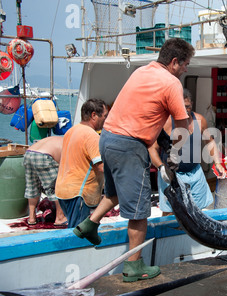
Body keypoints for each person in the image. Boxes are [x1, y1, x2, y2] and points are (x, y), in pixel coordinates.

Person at [73, 38, 195, 282]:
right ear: (174, 62)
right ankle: (133, 267)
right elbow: (183, 125)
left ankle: (89, 224)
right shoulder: (171, 83)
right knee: (139, 211)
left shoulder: (142, 71)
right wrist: (174, 153)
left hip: (108, 138)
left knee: (114, 192)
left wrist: (159, 135)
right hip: (130, 145)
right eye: (185, 65)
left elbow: (136, 109)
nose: (186, 70)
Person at [149, 89, 226, 216]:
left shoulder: (200, 120)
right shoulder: (167, 122)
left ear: (192, 104)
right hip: (173, 175)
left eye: (188, 107)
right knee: (170, 213)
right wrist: (161, 168)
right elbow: (152, 148)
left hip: (195, 173)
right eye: (181, 107)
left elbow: (210, 142)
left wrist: (217, 163)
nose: (185, 110)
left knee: (197, 213)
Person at [55, 98, 108, 228]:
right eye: (105, 116)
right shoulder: (91, 136)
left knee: (73, 228)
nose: (106, 120)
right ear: (94, 115)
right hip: (79, 193)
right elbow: (101, 167)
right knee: (79, 232)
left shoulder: (71, 131)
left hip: (63, 190)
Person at [23, 136, 67, 227]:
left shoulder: (60, 139)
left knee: (32, 187)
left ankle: (31, 218)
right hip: (45, 155)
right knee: (56, 187)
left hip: (29, 153)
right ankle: (60, 218)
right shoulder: (70, 145)